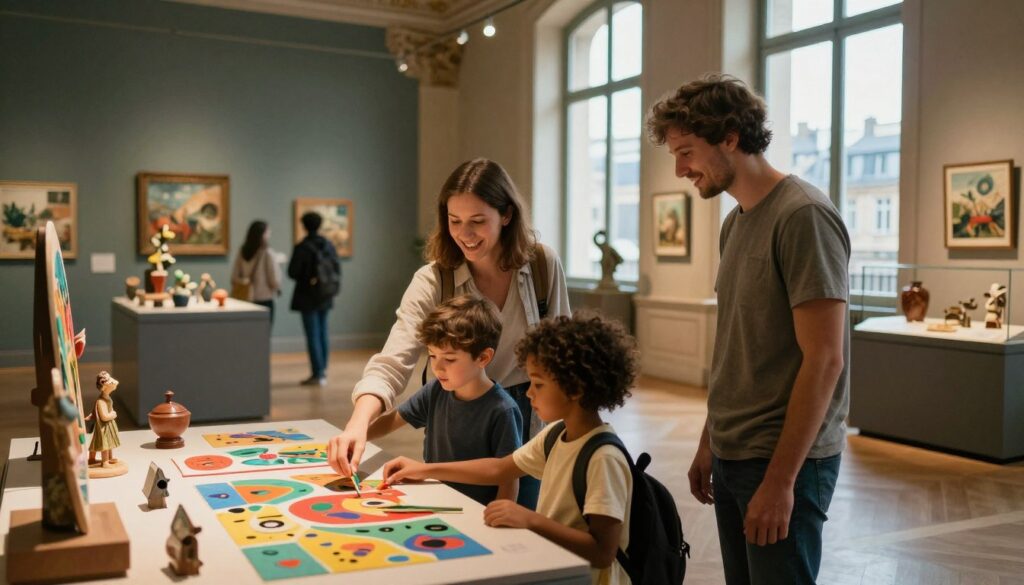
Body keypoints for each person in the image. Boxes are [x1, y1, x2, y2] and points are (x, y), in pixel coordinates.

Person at [647, 73, 850, 585]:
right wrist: (709, 439)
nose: (680, 169)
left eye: (687, 151)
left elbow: (825, 360)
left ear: (731, 137)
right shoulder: (735, 222)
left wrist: (781, 481)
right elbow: (738, 345)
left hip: (786, 461)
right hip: (735, 451)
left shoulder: (803, 216)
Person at [328, 158, 570, 510]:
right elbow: (393, 360)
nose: (465, 235)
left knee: (517, 521)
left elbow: (563, 354)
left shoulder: (541, 266)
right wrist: (358, 425)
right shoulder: (433, 279)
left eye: (477, 221)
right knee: (451, 518)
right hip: (455, 416)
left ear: (506, 215)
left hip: (529, 412)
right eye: (454, 222)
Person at [382, 313, 637, 585]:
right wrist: (423, 470)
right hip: (561, 570)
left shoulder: (603, 458)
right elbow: (499, 467)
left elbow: (602, 552)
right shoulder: (556, 434)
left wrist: (531, 520)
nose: (529, 393)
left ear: (575, 389)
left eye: (538, 384)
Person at [367, 294, 522, 505]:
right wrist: (355, 436)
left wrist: (502, 519)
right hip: (435, 501)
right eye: (432, 355)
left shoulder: (503, 410)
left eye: (449, 359)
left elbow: (506, 476)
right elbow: (390, 422)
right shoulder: (435, 391)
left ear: (483, 357)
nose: (437, 367)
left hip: (475, 512)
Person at [288, 212, 340, 386]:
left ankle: (317, 373)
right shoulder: (328, 245)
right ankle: (322, 369)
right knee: (323, 331)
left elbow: (292, 272)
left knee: (312, 334)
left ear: (303, 226)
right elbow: (336, 268)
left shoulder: (302, 247)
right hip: (325, 294)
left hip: (307, 296)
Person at [231, 220, 282, 323]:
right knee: (264, 332)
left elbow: (234, 276)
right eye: (268, 232)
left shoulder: (243, 251)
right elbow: (274, 279)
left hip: (245, 297)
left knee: (249, 331)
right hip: (264, 297)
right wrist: (277, 288)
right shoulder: (267, 252)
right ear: (263, 234)